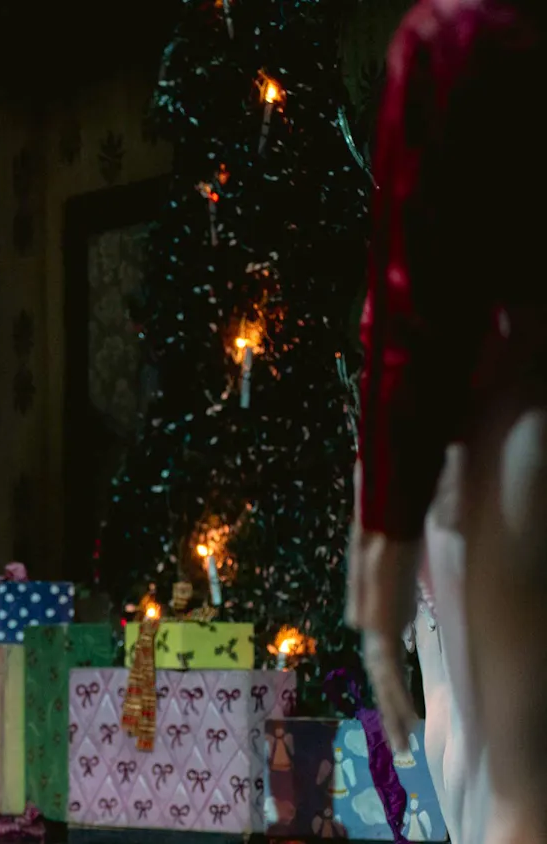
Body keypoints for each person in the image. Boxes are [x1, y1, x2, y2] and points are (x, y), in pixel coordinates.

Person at [346, 1, 545, 841]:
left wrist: (380, 550)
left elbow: (408, 316)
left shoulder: (457, 42)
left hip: (496, 421)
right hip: (496, 428)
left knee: (501, 755)